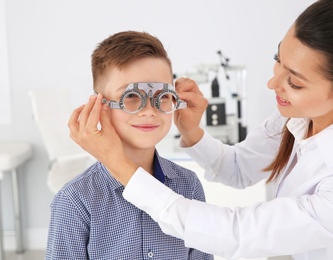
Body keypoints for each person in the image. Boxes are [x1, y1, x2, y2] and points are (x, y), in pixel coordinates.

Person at [68, 1, 333, 259]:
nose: (272, 84)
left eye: (295, 83)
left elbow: (234, 234)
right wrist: (192, 132)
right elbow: (239, 168)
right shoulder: (76, 199)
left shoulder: (187, 184)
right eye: (278, 59)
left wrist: (116, 162)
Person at [46, 31, 213, 260]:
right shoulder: (75, 200)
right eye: (132, 95)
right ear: (99, 104)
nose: (149, 110)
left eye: (162, 95)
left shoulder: (189, 186)